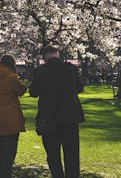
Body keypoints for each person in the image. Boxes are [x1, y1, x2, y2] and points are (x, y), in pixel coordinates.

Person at [29, 45, 85, 178]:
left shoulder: (40, 71)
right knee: (71, 153)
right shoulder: (71, 69)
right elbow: (80, 88)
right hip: (70, 117)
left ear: (44, 57)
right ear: (57, 54)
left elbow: (33, 92)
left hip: (49, 118)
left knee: (53, 154)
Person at [0, 55, 27, 178]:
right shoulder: (12, 78)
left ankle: (2, 174)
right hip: (10, 122)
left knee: (0, 153)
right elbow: (22, 90)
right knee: (9, 154)